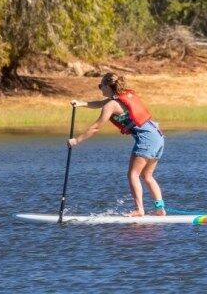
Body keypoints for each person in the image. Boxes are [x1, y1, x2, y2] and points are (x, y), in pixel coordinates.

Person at [69, 72, 167, 216]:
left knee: (133, 174)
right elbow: (99, 103)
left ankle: (139, 210)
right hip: (158, 136)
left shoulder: (111, 105)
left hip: (147, 139)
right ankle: (160, 209)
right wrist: (81, 103)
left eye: (100, 85)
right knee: (147, 176)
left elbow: (96, 128)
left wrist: (76, 140)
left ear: (108, 86)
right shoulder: (119, 98)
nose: (99, 88)